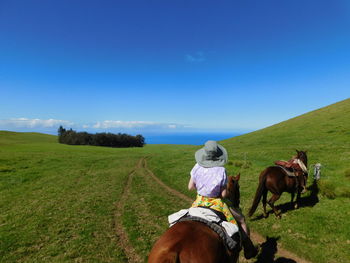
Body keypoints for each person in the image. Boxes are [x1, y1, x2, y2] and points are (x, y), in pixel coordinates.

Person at [188, 140, 258, 259]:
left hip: (199, 202)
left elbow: (190, 187)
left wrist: (201, 188)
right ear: (217, 155)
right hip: (216, 202)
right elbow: (224, 194)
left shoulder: (196, 166)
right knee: (241, 220)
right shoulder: (221, 170)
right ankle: (248, 248)